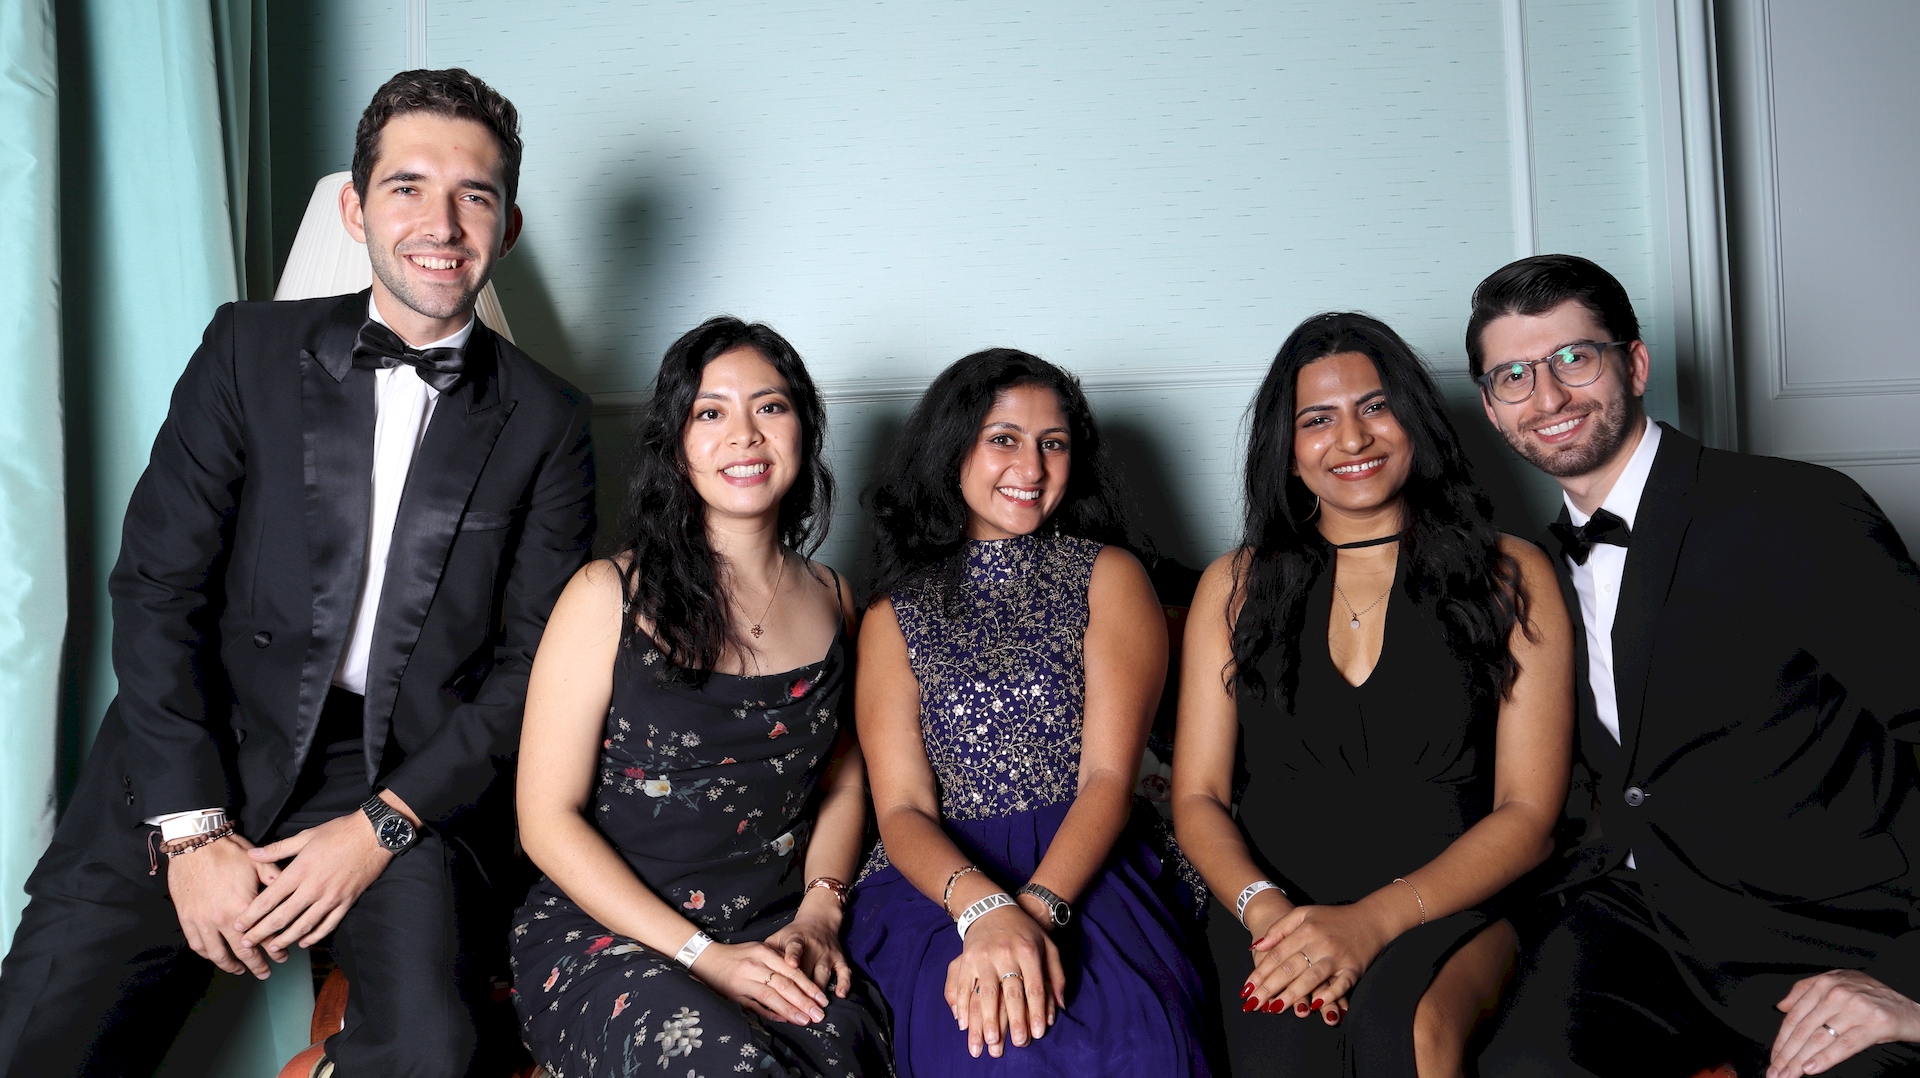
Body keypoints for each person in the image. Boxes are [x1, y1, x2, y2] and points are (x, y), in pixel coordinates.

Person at [0, 68, 596, 1075]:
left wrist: (381, 828)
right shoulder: (247, 350)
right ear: (356, 211)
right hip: (202, 739)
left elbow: (533, 668)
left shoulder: (550, 419)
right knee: (30, 1042)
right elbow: (157, 590)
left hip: (399, 772)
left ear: (510, 227)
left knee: (434, 1049)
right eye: (407, 187)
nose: (441, 224)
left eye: (475, 195)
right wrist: (193, 833)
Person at [1466, 255, 1920, 1078]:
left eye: (1574, 357)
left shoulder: (1796, 510)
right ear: (1493, 410)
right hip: (1649, 922)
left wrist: (1910, 984)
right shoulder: (1529, 571)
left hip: (1840, 930)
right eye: (1514, 376)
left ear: (1635, 366)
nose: (1549, 397)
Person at [1169, 312, 1574, 1077]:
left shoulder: (1510, 575)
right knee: (1285, 1047)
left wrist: (1369, 924)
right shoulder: (1235, 584)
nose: (1352, 439)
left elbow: (1529, 816)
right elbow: (1197, 797)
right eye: (1317, 420)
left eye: (1375, 406)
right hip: (1273, 907)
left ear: (1415, 420)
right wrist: (1270, 916)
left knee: (1401, 1028)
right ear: (1287, 451)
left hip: (1450, 901)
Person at [509, 317, 892, 1078]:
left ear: (805, 429)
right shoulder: (605, 595)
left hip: (778, 930)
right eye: (710, 412)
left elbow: (845, 782)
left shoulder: (836, 598)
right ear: (675, 443)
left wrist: (820, 912)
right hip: (614, 935)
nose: (744, 434)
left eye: (770, 407)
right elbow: (545, 821)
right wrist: (704, 957)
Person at [844, 349, 1210, 1076]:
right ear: (953, 449)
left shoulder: (1108, 576)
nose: (1032, 467)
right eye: (1004, 438)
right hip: (940, 877)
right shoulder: (893, 612)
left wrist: (1031, 913)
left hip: (1084, 857)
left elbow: (1108, 779)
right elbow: (902, 808)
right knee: (980, 1044)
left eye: (1054, 443)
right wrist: (982, 911)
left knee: (1129, 1041)